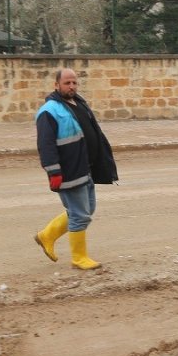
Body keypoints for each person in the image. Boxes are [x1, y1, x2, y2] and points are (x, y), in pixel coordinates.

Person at [33, 67, 118, 270]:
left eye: (74, 83)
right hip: (69, 171)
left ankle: (47, 235)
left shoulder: (78, 103)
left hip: (85, 167)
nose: (71, 86)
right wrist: (54, 172)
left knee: (85, 210)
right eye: (66, 83)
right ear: (56, 85)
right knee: (80, 214)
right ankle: (79, 258)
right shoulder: (49, 111)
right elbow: (45, 145)